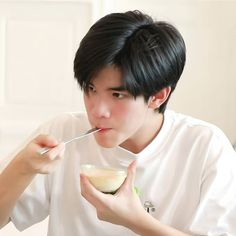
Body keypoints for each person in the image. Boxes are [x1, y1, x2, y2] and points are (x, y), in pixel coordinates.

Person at [0, 10, 236, 236]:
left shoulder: (205, 147)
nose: (97, 110)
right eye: (91, 89)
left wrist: (136, 221)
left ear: (158, 96)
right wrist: (23, 167)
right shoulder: (62, 132)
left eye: (117, 95)